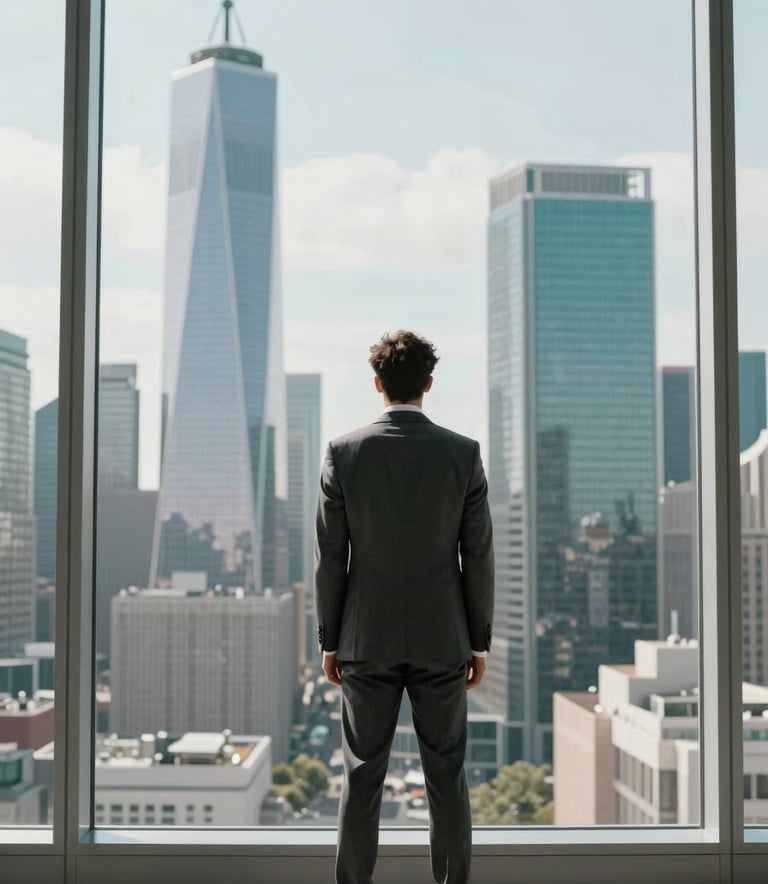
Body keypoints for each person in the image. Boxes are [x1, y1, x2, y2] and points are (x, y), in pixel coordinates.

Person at [314, 330, 494, 884]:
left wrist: (329, 640)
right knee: (448, 778)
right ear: (429, 385)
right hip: (444, 639)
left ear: (377, 385)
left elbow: (331, 558)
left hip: (366, 640)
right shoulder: (462, 454)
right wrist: (478, 641)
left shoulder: (344, 453)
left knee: (362, 778)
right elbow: (478, 555)